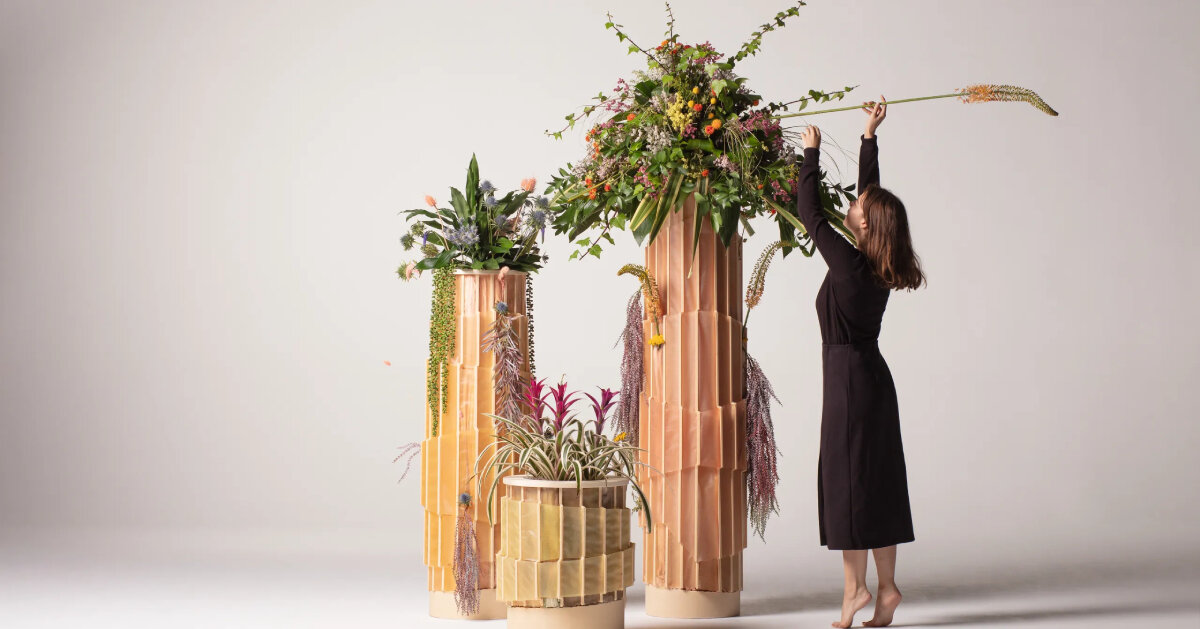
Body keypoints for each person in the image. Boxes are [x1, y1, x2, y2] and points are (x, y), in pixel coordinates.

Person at [795, 97, 924, 628]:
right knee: (877, 481)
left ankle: (854, 592)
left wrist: (811, 154)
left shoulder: (849, 263)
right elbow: (872, 200)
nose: (852, 202)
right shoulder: (876, 260)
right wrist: (869, 137)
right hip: (872, 380)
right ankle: (887, 588)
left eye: (856, 204)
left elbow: (809, 214)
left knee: (847, 485)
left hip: (849, 383)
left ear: (864, 223)